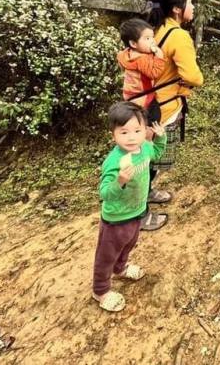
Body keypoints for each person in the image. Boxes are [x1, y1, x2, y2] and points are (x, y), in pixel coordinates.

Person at [92, 102, 167, 312]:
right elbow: (104, 193)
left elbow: (157, 153)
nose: (131, 137)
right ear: (113, 135)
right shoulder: (114, 162)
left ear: (145, 130)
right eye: (124, 132)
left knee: (129, 244)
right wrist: (120, 182)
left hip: (137, 212)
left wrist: (161, 138)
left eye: (137, 130)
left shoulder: (145, 148)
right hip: (116, 219)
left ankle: (120, 268)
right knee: (106, 255)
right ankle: (100, 290)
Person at [142, 0, 204, 231]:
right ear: (177, 9)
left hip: (148, 103)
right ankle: (140, 213)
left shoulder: (154, 29)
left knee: (147, 156)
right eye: (190, 2)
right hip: (164, 108)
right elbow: (193, 76)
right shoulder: (178, 36)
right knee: (149, 160)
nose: (193, 7)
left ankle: (147, 192)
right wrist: (195, 80)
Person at [117, 18, 166, 124]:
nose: (153, 41)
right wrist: (159, 57)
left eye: (152, 37)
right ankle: (150, 132)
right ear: (133, 44)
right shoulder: (142, 59)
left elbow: (121, 63)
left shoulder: (125, 54)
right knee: (154, 118)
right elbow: (155, 73)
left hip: (129, 95)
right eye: (147, 38)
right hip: (144, 97)